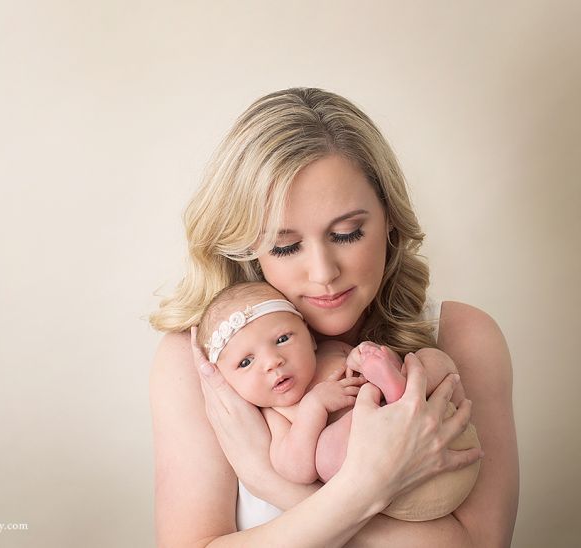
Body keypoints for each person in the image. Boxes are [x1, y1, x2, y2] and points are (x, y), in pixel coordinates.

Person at [150, 88, 518, 546]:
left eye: (347, 233)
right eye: (285, 246)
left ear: (389, 220)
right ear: (248, 246)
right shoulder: (203, 366)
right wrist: (363, 490)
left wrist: (269, 478)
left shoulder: (463, 337)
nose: (324, 273)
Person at [196, 280, 480, 521]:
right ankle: (393, 396)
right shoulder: (276, 413)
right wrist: (314, 406)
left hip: (443, 438)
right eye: (246, 361)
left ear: (310, 336)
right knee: (326, 458)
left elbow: (372, 361)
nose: (272, 361)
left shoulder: (333, 352)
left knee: (432, 360)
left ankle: (397, 390)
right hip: (404, 481)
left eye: (282, 339)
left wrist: (365, 357)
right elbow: (295, 469)